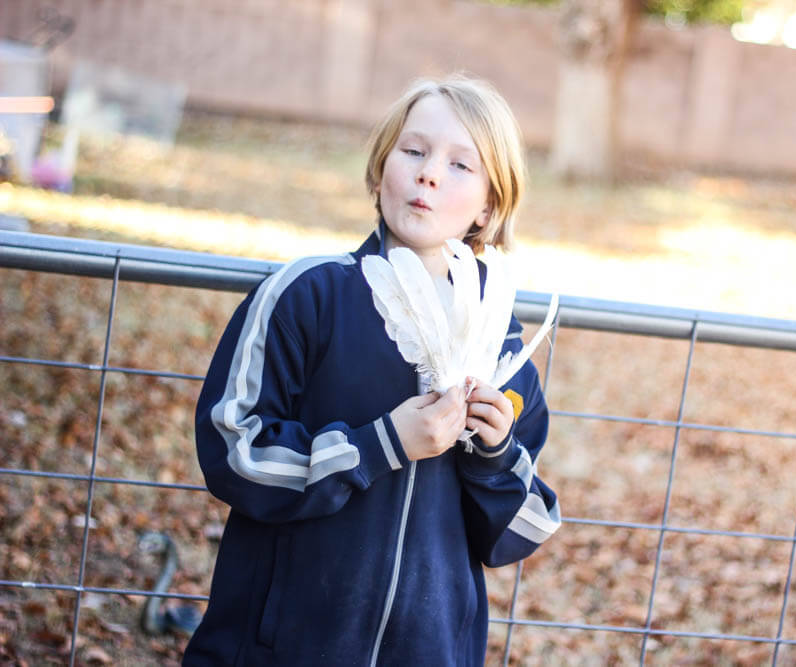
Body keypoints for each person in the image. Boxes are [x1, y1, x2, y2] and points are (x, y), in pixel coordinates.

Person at [183, 75, 561, 666]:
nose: (428, 173)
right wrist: (381, 444)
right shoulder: (310, 295)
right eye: (413, 151)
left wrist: (493, 454)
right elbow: (234, 452)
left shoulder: (501, 344)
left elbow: (521, 532)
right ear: (383, 165)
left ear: (490, 202)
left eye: (462, 165)